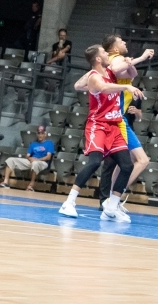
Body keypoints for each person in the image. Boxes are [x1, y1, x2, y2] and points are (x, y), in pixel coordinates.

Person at [58, 45, 142, 223]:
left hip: (114, 126)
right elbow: (104, 88)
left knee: (127, 166)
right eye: (104, 53)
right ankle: (69, 202)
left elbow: (130, 73)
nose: (107, 54)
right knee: (95, 162)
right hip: (98, 125)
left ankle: (111, 209)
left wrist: (131, 62)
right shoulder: (94, 77)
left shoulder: (110, 72)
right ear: (97, 58)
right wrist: (125, 88)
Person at [97, 34, 154, 210]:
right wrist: (141, 58)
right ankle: (114, 198)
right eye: (121, 41)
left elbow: (133, 73)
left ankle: (111, 200)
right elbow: (116, 68)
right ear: (114, 48)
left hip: (119, 118)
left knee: (124, 163)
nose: (124, 42)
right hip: (117, 118)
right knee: (141, 161)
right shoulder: (115, 58)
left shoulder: (119, 60)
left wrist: (130, 63)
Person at [0, 125, 54, 191]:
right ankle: (5, 182)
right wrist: (30, 159)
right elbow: (27, 155)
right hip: (32, 160)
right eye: (39, 133)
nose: (40, 135)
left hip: (43, 162)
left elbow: (48, 157)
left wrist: (37, 160)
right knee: (10, 160)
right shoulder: (33, 144)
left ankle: (31, 185)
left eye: (42, 133)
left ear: (45, 134)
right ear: (36, 134)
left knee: (35, 163)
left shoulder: (49, 143)